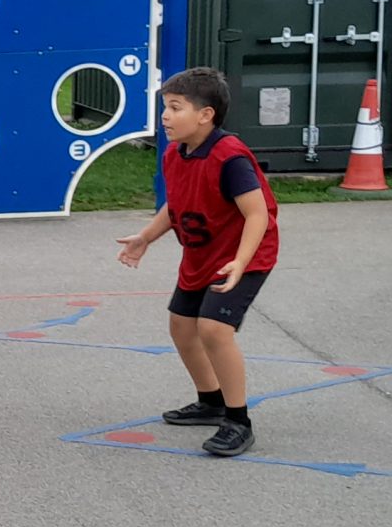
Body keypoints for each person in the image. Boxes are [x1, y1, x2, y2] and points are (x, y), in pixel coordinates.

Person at [115, 66, 281, 458]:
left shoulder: (230, 157)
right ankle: (211, 401)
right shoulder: (175, 153)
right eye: (165, 107)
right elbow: (177, 203)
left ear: (206, 115)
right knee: (181, 327)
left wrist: (241, 261)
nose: (165, 116)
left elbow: (257, 214)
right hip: (202, 255)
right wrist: (146, 237)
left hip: (244, 255)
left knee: (213, 329)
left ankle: (238, 421)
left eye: (176, 108)